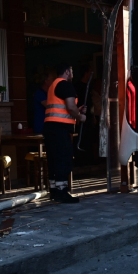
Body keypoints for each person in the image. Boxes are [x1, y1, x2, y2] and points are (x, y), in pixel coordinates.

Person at [43, 63, 86, 203]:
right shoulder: (66, 85)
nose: (72, 74)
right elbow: (70, 107)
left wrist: (77, 110)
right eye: (71, 71)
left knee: (53, 160)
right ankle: (62, 192)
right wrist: (80, 116)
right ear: (67, 72)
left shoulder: (53, 86)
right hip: (60, 129)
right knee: (63, 159)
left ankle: (54, 191)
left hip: (50, 128)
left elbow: (63, 107)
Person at [33, 70, 56, 135]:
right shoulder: (39, 93)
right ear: (46, 81)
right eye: (52, 79)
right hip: (41, 127)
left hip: (49, 127)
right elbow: (50, 106)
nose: (54, 82)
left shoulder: (49, 93)